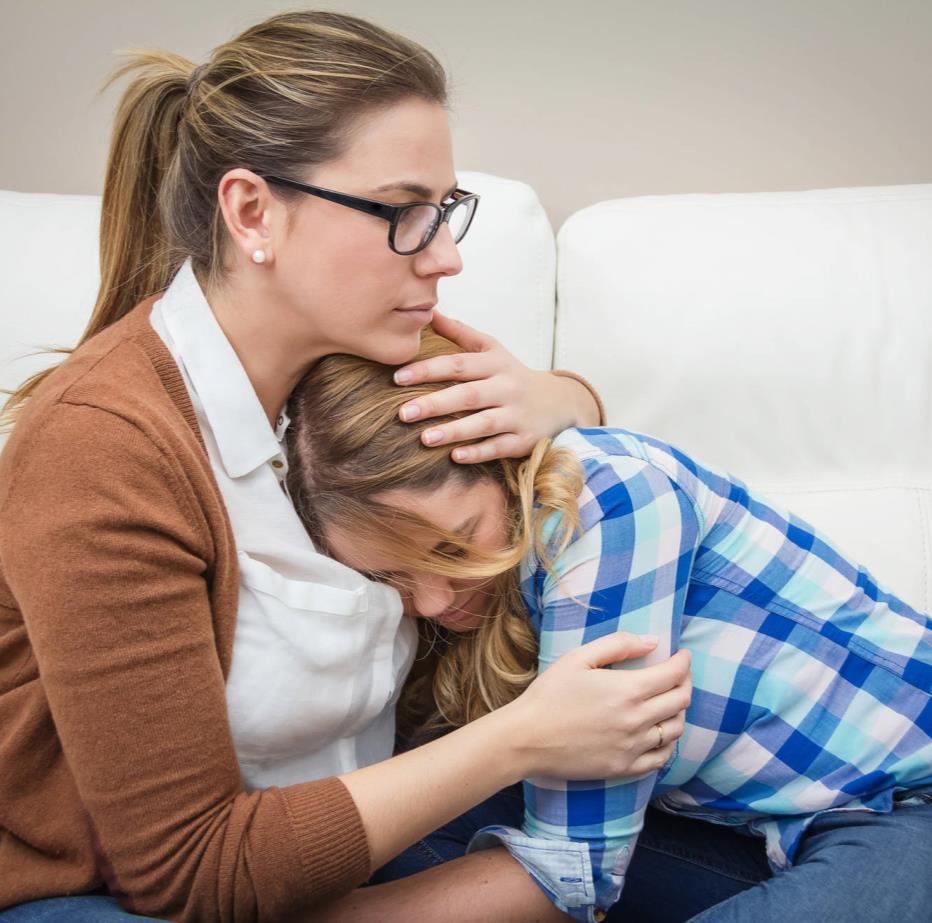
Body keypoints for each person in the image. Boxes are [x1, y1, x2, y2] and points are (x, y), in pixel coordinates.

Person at [0, 11, 694, 923]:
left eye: (445, 210)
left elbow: (550, 459)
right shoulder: (100, 452)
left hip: (340, 832)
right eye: (403, 211)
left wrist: (564, 397)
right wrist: (521, 740)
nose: (444, 254)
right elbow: (187, 873)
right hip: (111, 896)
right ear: (252, 212)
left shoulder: (370, 359)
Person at [283, 328, 932, 923]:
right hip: (742, 828)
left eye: (454, 548)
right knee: (411, 813)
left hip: (904, 804)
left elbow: (573, 872)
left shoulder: (608, 497)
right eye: (391, 575)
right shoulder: (475, 582)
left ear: (510, 470)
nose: (428, 603)